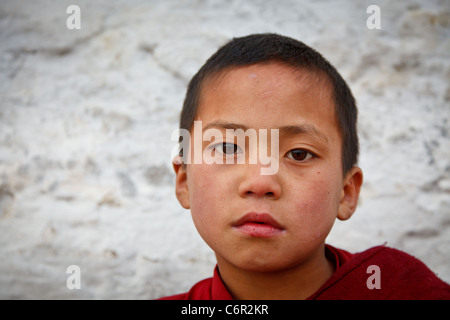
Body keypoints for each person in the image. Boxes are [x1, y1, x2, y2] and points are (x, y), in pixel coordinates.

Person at [160, 33, 450, 300]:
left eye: (299, 154)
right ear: (184, 183)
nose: (261, 182)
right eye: (227, 148)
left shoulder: (400, 291)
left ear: (346, 192)